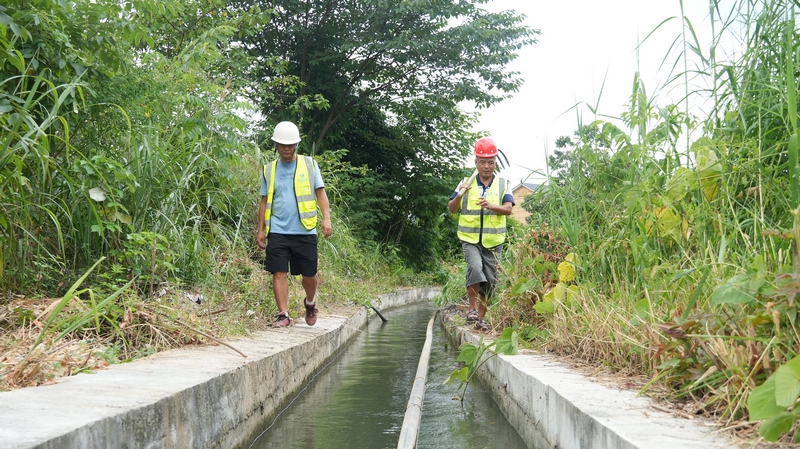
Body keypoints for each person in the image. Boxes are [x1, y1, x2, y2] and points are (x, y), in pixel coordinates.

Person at [257, 121, 333, 327]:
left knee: (310, 275)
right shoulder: (269, 170)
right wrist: (261, 230)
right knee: (279, 272)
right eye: (282, 144)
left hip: (305, 231)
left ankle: (310, 302)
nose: (286, 148)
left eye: (290, 144)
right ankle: (283, 314)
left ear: (297, 145)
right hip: (278, 230)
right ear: (276, 145)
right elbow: (264, 201)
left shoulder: (309, 164)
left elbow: (320, 193)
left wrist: (326, 219)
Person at [447, 137, 514, 332]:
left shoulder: (503, 184)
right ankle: (472, 309)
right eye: (482, 162)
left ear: (495, 163)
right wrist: (460, 194)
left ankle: (481, 318)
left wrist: (491, 206)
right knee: (475, 268)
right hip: (470, 238)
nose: (486, 166)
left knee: (491, 280)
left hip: (494, 240)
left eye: (490, 162)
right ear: (476, 162)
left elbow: (508, 209)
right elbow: (451, 209)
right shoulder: (465, 183)